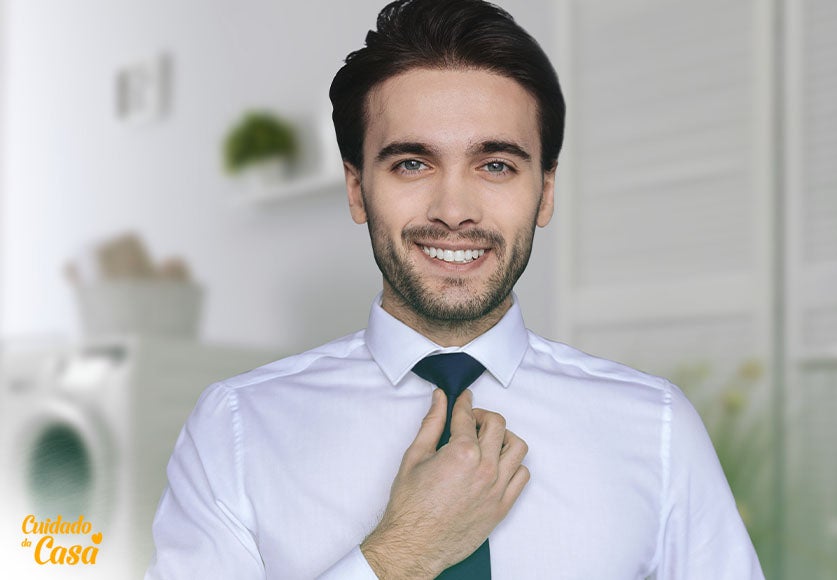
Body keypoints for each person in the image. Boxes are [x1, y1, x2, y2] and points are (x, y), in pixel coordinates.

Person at [146, 0, 764, 578]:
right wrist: (401, 552)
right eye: (412, 163)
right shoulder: (236, 428)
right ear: (358, 189)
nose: (454, 210)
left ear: (545, 191)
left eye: (495, 165)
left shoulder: (656, 427)